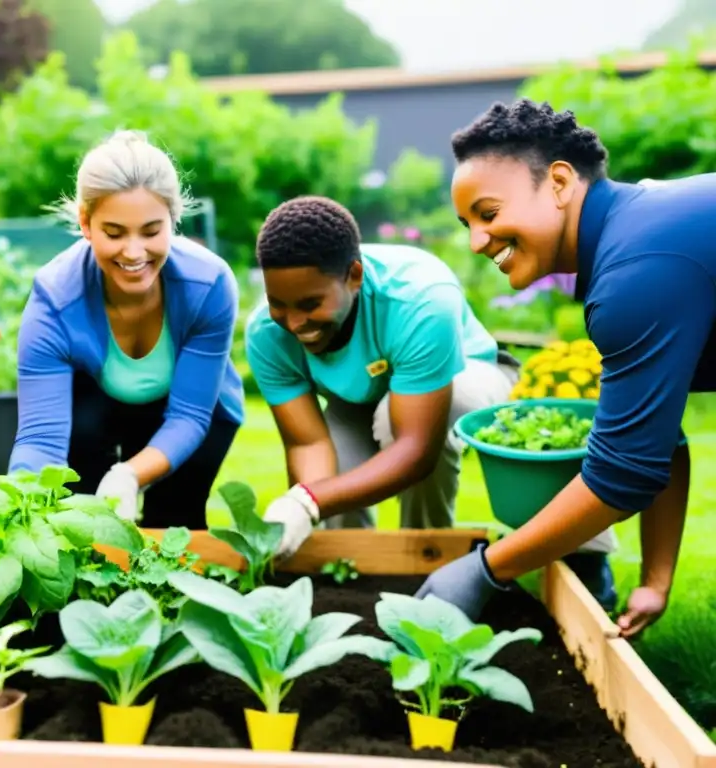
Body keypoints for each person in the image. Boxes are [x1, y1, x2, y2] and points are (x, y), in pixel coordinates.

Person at [419, 97, 714, 638]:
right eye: (466, 224)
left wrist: (487, 569)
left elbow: (620, 476)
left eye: (488, 214)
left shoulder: (636, 267)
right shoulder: (637, 230)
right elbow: (659, 440)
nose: (477, 242)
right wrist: (655, 580)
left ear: (559, 183)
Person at [245, 195, 523, 557]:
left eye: (311, 304)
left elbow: (415, 449)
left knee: (398, 423)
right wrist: (304, 505)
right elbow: (307, 444)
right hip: (362, 395)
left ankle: (427, 554)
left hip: (466, 375)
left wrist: (310, 501)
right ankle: (347, 567)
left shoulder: (421, 299)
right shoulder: (267, 332)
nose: (294, 323)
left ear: (354, 277)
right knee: (335, 468)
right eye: (278, 303)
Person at [9, 130, 244, 528]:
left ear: (173, 219)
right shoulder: (55, 298)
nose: (134, 253)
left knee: (173, 526)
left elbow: (189, 415)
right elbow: (40, 439)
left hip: (193, 416)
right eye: (114, 233)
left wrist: (129, 475)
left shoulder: (210, 285)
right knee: (77, 522)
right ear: (86, 223)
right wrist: (20, 511)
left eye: (151, 232)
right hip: (94, 413)